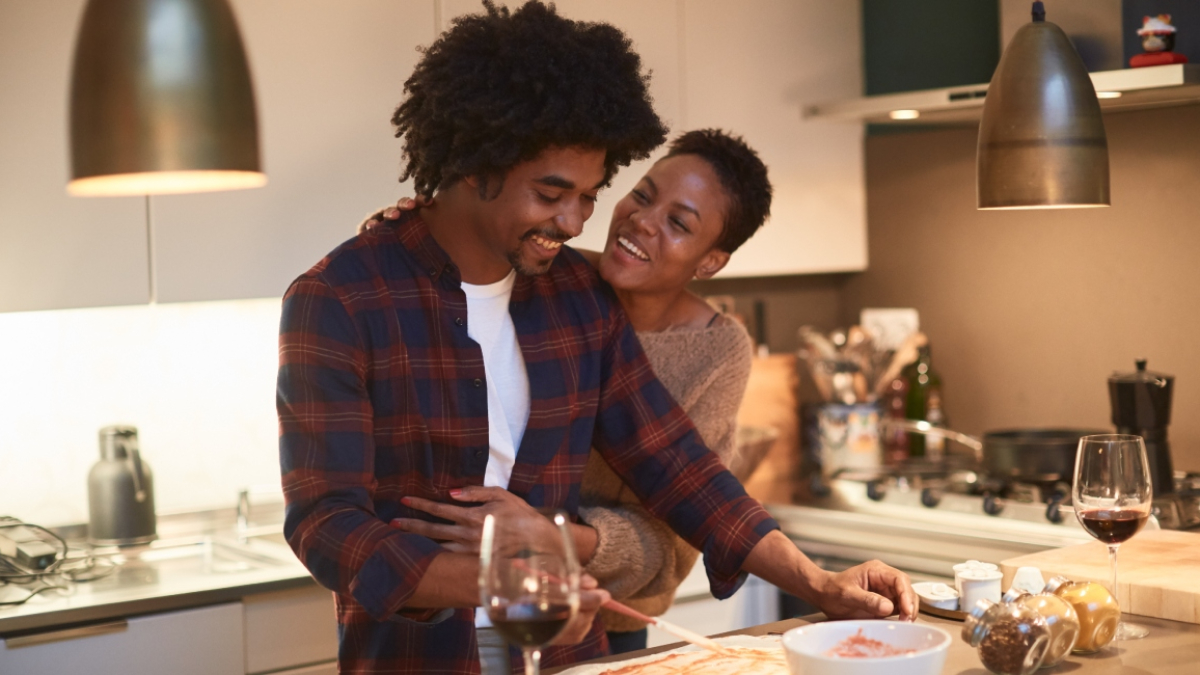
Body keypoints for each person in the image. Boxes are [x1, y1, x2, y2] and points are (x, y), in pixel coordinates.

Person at [277, 4, 915, 675]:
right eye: (553, 193)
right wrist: (504, 579)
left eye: (590, 194)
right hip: (417, 657)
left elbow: (678, 465)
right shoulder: (340, 299)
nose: (576, 220)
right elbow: (326, 525)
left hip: (567, 655)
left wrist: (820, 582)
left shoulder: (573, 293)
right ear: (476, 161)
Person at [371, 128, 774, 654]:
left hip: (609, 610)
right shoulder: (549, 272)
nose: (644, 221)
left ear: (710, 261)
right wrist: (413, 234)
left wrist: (552, 536)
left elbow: (679, 521)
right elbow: (456, 258)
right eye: (644, 194)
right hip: (481, 594)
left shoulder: (716, 351)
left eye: (678, 223)